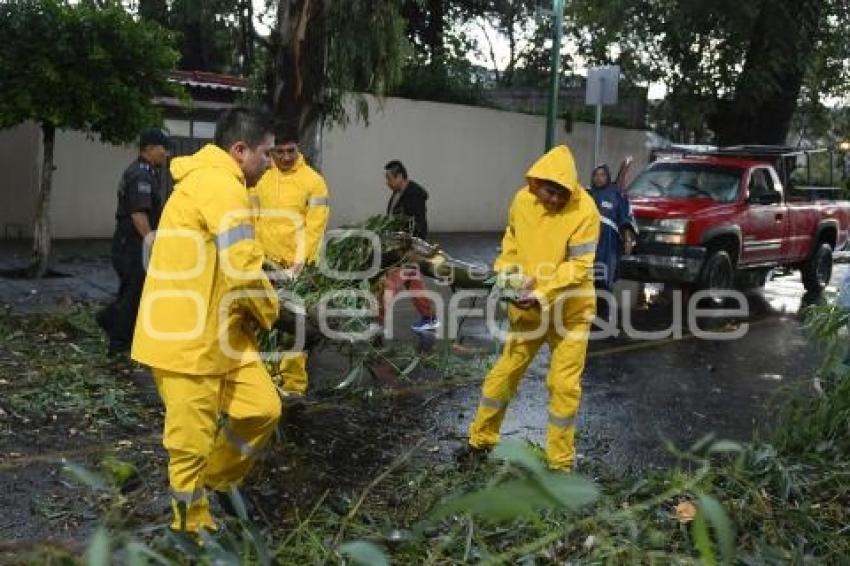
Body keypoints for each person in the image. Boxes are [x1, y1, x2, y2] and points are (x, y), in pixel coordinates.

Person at [131, 107, 280, 533]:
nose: (269, 165)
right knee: (189, 447)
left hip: (220, 333)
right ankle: (191, 531)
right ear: (240, 150)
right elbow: (244, 266)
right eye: (265, 155)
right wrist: (273, 313)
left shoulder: (225, 184)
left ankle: (216, 481)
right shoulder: (219, 185)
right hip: (186, 341)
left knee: (263, 409)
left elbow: (236, 261)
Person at [459, 145, 600, 471]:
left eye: (561, 194)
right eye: (549, 192)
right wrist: (508, 278)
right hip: (529, 311)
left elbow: (580, 267)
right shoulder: (522, 201)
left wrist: (541, 292)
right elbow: (510, 246)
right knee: (504, 374)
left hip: (571, 312)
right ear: (537, 184)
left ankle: (559, 465)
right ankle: (480, 440)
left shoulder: (585, 211)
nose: (553, 199)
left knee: (564, 387)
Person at [253, 126, 330, 400]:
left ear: (299, 149)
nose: (285, 157)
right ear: (272, 150)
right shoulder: (261, 180)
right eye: (279, 151)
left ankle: (293, 386)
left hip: (297, 269)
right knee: (263, 324)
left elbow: (315, 227)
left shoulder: (314, 182)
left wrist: (300, 263)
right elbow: (253, 219)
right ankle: (267, 379)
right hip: (264, 266)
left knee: (293, 329)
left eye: (291, 151)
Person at [96, 129, 170, 357]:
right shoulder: (141, 175)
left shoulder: (145, 172)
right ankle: (117, 346)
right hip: (132, 246)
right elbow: (138, 214)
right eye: (163, 149)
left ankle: (109, 319)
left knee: (131, 292)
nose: (166, 154)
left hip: (131, 243)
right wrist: (152, 243)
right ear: (149, 148)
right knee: (133, 294)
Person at [381, 160, 438, 334]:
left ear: (400, 177)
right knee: (415, 284)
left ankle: (377, 322)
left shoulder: (414, 195)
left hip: (407, 251)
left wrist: (411, 247)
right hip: (399, 249)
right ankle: (429, 318)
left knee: (388, 285)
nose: (387, 182)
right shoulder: (398, 193)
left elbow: (419, 225)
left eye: (389, 178)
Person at [589, 164, 637, 320]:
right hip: (590, 245)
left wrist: (628, 238)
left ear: (608, 177)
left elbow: (625, 217)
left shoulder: (617, 194)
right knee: (589, 280)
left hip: (609, 245)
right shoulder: (586, 194)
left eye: (602, 174)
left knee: (606, 279)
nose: (599, 177)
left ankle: (606, 316)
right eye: (596, 174)